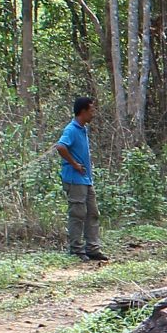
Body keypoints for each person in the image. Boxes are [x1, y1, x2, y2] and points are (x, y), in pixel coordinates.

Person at [52, 95, 105, 261]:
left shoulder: (83, 129)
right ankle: (76, 249)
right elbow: (60, 146)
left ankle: (92, 248)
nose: (94, 113)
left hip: (86, 179)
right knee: (78, 213)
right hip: (75, 180)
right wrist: (74, 164)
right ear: (83, 111)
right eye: (91, 110)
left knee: (92, 213)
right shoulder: (71, 129)